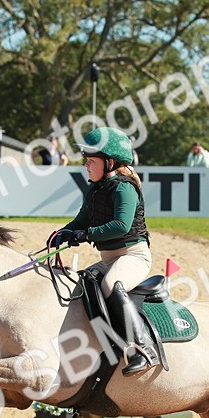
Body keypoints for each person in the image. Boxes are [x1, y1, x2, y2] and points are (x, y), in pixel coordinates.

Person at [55, 126, 157, 376]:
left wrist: (86, 235)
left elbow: (121, 226)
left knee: (110, 284)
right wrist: (62, 234)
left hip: (134, 256)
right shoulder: (96, 189)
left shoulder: (125, 187)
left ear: (110, 162)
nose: (87, 166)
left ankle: (143, 349)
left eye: (91, 160)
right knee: (81, 286)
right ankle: (100, 343)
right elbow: (80, 221)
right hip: (110, 258)